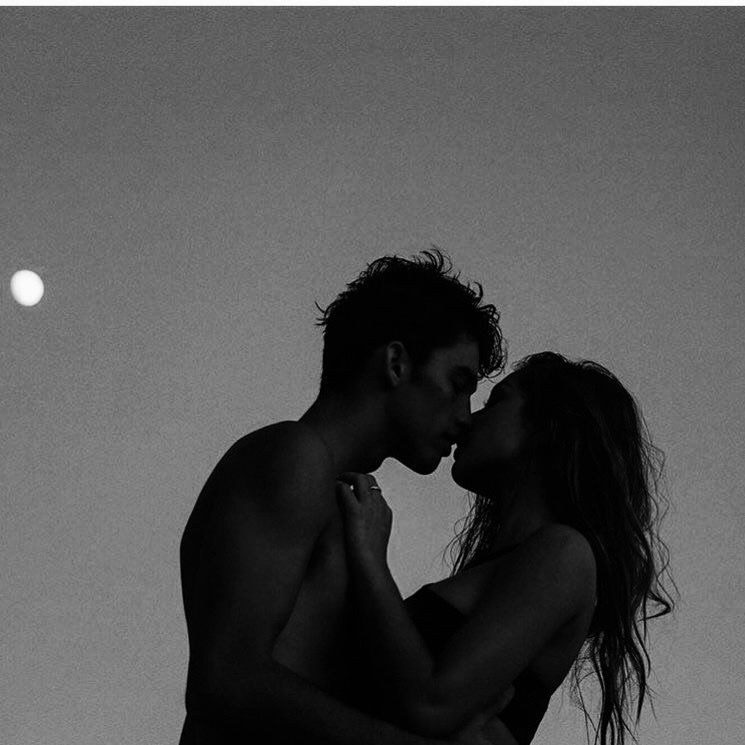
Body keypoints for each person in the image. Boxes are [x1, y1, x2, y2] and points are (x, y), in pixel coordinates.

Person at [178, 249, 509, 744]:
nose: (465, 417)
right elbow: (224, 681)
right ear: (396, 363)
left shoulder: (345, 503)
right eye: (457, 384)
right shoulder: (294, 456)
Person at [337, 351, 676, 745]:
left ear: (548, 425)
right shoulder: (522, 560)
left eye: (496, 401)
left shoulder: (564, 554)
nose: (467, 420)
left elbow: (432, 704)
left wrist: (369, 558)